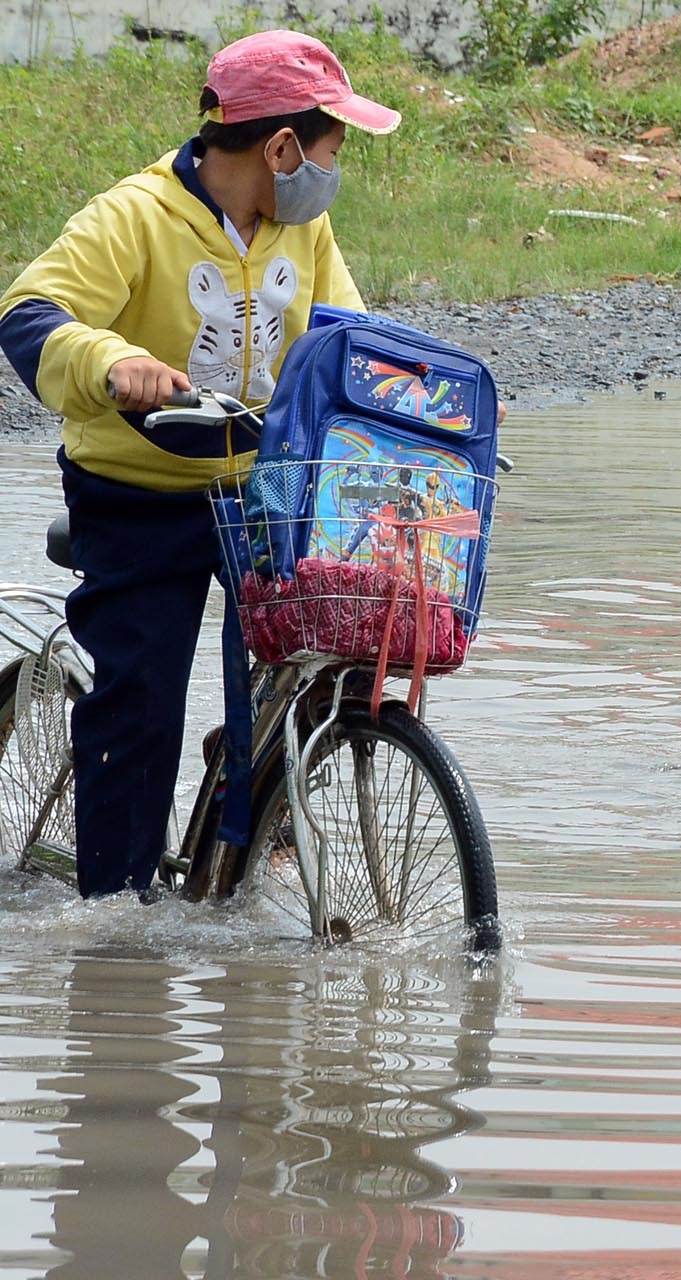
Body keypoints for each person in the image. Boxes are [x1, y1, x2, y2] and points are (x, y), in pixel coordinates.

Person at [0, 30, 399, 897]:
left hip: (261, 489)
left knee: (337, 638)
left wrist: (426, 395)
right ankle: (113, 926)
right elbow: (29, 313)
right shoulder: (132, 216)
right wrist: (110, 362)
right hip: (138, 492)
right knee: (142, 705)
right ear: (283, 147)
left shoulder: (306, 227)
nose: (336, 172)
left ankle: (252, 771)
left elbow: (353, 341)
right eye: (335, 151)